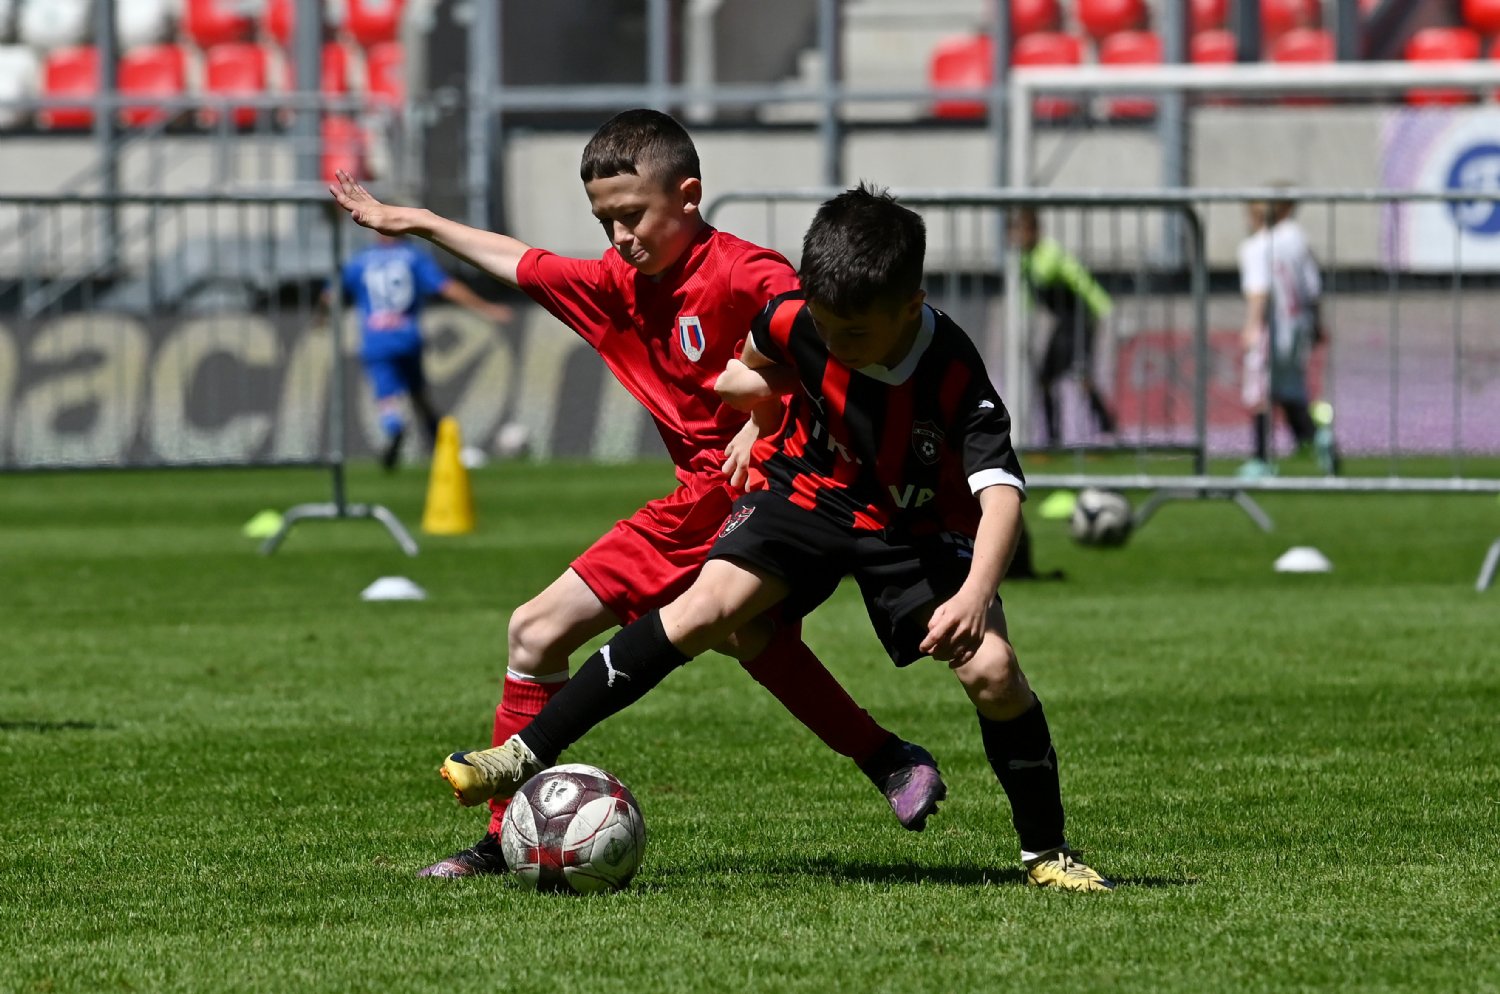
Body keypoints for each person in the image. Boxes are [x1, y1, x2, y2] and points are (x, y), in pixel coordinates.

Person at [441, 184, 1114, 892]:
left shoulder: (953, 370)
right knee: (706, 611)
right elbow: (758, 355)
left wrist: (975, 595)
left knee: (993, 673)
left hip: (915, 527)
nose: (836, 346)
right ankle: (523, 754)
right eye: (825, 328)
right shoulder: (800, 316)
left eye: (855, 335)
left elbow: (1002, 497)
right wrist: (756, 418)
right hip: (809, 489)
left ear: (910, 306)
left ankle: (1047, 853)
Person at [328, 111, 944, 878]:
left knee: (573, 629)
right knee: (631, 636)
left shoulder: (746, 273)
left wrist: (764, 415)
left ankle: (499, 841)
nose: (620, 237)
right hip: (698, 500)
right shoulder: (617, 285)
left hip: (773, 492)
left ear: (688, 196)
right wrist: (416, 222)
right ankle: (887, 758)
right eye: (604, 221)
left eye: (632, 216)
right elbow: (523, 262)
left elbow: (826, 340)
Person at [335, 231, 515, 470]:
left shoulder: (359, 261)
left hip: (376, 339)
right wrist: (487, 308)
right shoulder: (413, 257)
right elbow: (447, 287)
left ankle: (394, 426)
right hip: (407, 337)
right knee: (418, 394)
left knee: (386, 395)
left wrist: (320, 317)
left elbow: (331, 294)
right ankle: (439, 444)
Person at [1236, 195, 1337, 478]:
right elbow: (1313, 287)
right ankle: (1316, 436)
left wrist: (1251, 326)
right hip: (1298, 323)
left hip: (1271, 327)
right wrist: (1317, 323)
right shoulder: (1294, 243)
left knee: (1260, 390)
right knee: (1290, 388)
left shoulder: (1255, 247)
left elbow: (1260, 291)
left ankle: (1261, 460)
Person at [1008, 208, 1117, 449]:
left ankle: (1108, 429)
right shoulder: (1025, 260)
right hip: (1064, 323)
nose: (1015, 238)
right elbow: (1029, 297)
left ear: (1033, 231)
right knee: (1047, 379)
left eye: (1020, 231)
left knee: (1080, 374)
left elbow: (1081, 280)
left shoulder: (1050, 254)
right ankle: (1053, 439)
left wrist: (1104, 310)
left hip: (1080, 320)